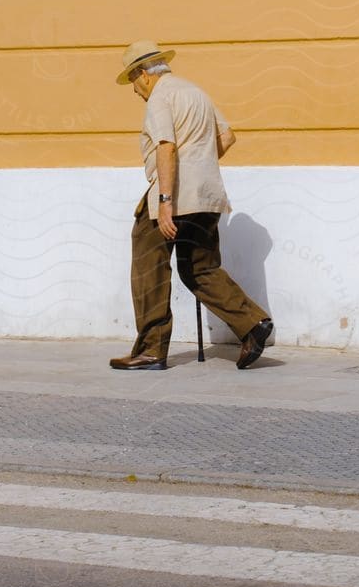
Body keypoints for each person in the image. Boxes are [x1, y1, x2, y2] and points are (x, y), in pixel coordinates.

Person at [109, 39, 274, 373]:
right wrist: (200, 165)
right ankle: (253, 324)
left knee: (148, 267)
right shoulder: (196, 92)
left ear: (144, 74)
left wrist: (166, 202)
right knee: (200, 268)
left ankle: (151, 350)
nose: (134, 90)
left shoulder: (160, 97)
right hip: (208, 194)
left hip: (173, 195)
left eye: (133, 81)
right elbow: (226, 137)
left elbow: (166, 147)